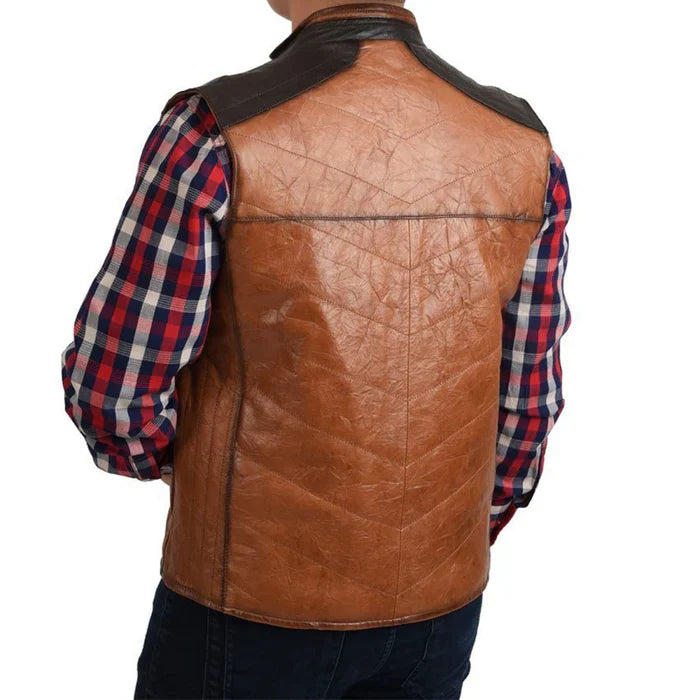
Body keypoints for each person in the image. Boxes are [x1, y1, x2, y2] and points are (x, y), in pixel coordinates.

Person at [60, 1, 572, 697]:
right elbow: (528, 398)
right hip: (440, 607)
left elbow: (114, 390)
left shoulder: (216, 130)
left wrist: (202, 487)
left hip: (248, 597)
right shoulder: (523, 143)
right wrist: (455, 531)